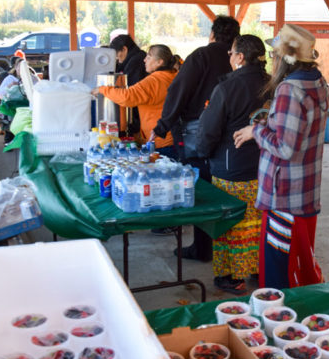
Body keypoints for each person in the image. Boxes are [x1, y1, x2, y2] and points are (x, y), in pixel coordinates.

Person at [233, 24, 329, 289]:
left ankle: (282, 325)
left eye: (275, 55)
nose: (272, 60)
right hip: (305, 192)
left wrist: (256, 131)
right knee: (302, 265)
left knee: (280, 275)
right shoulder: (317, 82)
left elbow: (286, 148)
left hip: (284, 196)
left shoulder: (289, 89)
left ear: (285, 59)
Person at [151, 15, 240, 260]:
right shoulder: (239, 60)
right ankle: (225, 248)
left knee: (200, 187)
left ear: (212, 34)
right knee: (225, 189)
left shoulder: (201, 56)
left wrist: (163, 125)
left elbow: (178, 90)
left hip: (197, 131)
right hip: (233, 136)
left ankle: (202, 248)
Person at [198, 35, 271, 294]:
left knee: (233, 222)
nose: (229, 57)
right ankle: (259, 268)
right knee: (259, 221)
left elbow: (209, 130)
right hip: (267, 166)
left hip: (232, 168)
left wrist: (203, 152)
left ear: (240, 57)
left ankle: (231, 276)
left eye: (231, 53)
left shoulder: (228, 88)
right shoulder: (273, 84)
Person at [91, 45, 178, 159]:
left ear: (159, 62)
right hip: (175, 137)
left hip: (160, 141)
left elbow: (127, 97)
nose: (144, 60)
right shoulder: (175, 76)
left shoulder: (154, 81)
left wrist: (102, 89)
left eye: (149, 57)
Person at [109, 34, 147, 137]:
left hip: (140, 114)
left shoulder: (136, 61)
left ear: (124, 49)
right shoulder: (135, 58)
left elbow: (131, 89)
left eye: (117, 54)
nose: (117, 59)